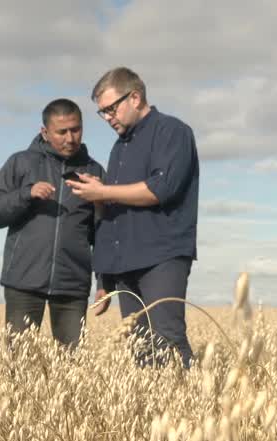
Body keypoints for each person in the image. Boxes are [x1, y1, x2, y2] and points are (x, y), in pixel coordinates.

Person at [66, 67, 199, 368]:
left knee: (168, 340)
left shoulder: (173, 131)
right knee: (140, 346)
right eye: (102, 113)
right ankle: (154, 412)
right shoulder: (119, 148)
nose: (108, 118)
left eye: (111, 109)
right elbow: (112, 212)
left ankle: (191, 409)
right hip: (124, 263)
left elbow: (160, 189)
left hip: (162, 256)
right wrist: (104, 276)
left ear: (135, 97)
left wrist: (102, 192)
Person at [0, 98, 107, 350]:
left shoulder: (94, 172)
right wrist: (26, 194)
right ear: (44, 132)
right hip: (23, 282)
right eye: (62, 132)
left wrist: (104, 283)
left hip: (72, 285)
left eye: (76, 129)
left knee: (71, 367)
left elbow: (104, 233)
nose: (70, 138)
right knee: (18, 363)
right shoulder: (21, 163)